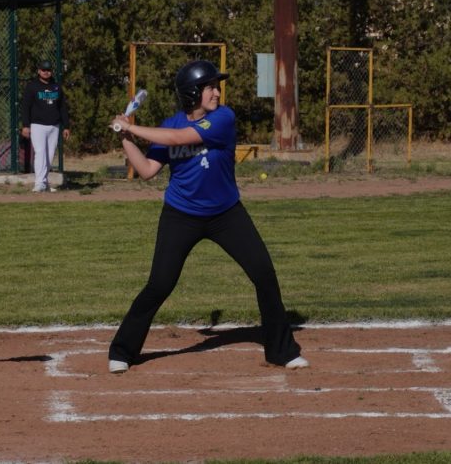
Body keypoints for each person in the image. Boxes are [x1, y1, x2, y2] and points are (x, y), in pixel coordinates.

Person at [107, 60, 309, 373]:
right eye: (210, 87)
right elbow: (147, 170)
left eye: (216, 86)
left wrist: (131, 126)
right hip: (180, 214)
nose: (217, 92)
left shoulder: (223, 118)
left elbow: (178, 139)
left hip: (226, 214)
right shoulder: (170, 124)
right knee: (160, 284)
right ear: (192, 93)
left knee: (263, 274)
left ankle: (282, 351)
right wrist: (124, 136)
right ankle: (122, 351)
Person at [20, 59, 70, 192]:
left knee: (49, 155)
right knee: (40, 152)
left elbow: (62, 107)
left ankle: (44, 183)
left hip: (54, 125)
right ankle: (39, 183)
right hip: (37, 125)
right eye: (43, 70)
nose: (46, 72)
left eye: (48, 70)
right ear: (38, 71)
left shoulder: (56, 86)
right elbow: (25, 107)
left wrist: (66, 126)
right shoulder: (32, 86)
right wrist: (25, 125)